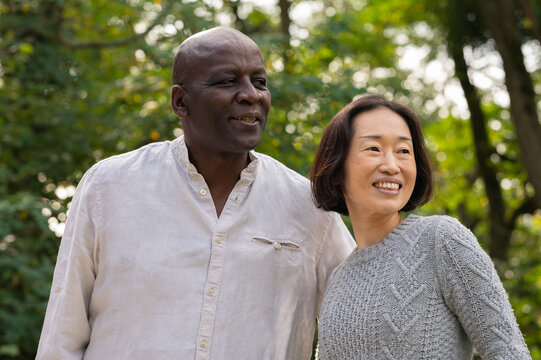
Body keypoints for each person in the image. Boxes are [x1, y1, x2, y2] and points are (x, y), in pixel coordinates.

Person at [36, 27, 355, 360]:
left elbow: (359, 319)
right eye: (227, 82)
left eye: (259, 82)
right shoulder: (109, 186)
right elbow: (63, 335)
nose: (251, 95)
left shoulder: (309, 206)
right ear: (180, 102)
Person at [310, 95, 531, 359]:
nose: (392, 166)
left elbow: (508, 351)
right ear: (336, 170)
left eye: (404, 151)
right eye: (374, 149)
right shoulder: (336, 281)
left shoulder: (442, 239)